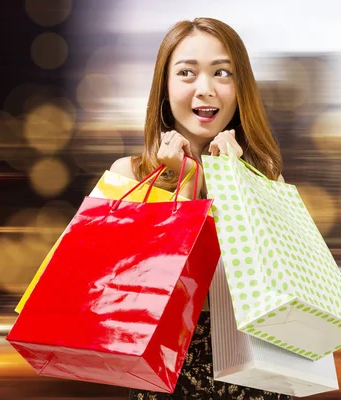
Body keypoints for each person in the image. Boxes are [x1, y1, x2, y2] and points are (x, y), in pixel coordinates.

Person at [110, 17, 289, 400]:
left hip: (255, 375)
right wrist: (183, 184)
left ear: (241, 89)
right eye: (187, 73)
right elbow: (135, 299)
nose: (205, 89)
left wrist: (236, 184)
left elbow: (276, 293)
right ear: (165, 87)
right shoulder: (128, 177)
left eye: (222, 72)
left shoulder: (267, 177)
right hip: (161, 376)